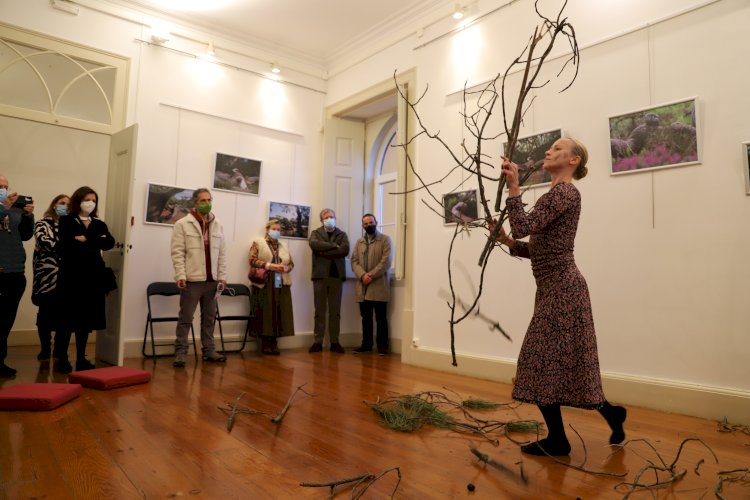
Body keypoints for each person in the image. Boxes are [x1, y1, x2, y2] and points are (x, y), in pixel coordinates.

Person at [494, 137, 626, 456]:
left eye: (557, 149)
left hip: (564, 290)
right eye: (549, 148)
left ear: (573, 161)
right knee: (561, 365)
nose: (548, 151)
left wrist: (513, 186)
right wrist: (508, 242)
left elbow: (524, 226)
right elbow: (540, 249)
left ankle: (559, 439)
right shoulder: (554, 195)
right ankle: (608, 415)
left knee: (540, 361)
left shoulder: (566, 192)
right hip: (555, 289)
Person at [57, 186, 115, 372]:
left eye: (94, 200)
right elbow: (65, 244)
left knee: (85, 322)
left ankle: (81, 358)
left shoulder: (98, 223)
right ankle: (63, 359)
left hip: (93, 277)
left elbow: (109, 243)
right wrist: (95, 239)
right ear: (79, 200)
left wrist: (85, 239)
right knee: (67, 320)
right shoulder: (66, 220)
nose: (91, 203)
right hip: (71, 277)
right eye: (87, 199)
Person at [170, 188, 228, 368]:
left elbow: (222, 254)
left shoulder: (218, 224)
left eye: (209, 199)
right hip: (191, 281)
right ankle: (180, 353)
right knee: (186, 318)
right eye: (202, 200)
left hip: (212, 281)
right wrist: (180, 275)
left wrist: (222, 277)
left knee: (209, 318)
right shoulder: (182, 224)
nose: (206, 203)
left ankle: (209, 350)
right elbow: (177, 252)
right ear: (195, 202)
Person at [0, 175, 35, 377]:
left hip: (15, 273)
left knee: (6, 321)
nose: (3, 189)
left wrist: (28, 215)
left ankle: (1, 361)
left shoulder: (12, 209)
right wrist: (4, 206)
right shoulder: (5, 207)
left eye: (6, 186)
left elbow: (25, 235)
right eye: (0, 186)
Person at [32, 194, 69, 369]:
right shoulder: (42, 223)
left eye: (69, 205)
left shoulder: (70, 226)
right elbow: (44, 242)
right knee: (45, 314)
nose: (65, 207)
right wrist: (68, 245)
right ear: (54, 205)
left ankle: (60, 350)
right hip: (46, 276)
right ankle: (45, 348)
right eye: (62, 203)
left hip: (67, 276)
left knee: (64, 315)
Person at [248, 219, 295, 355]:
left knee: (279, 311)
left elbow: (291, 263)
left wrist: (286, 268)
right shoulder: (258, 243)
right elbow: (252, 260)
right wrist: (270, 265)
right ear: (268, 229)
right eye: (274, 229)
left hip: (281, 281)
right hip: (264, 282)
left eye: (279, 230)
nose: (277, 232)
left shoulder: (284, 245)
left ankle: (275, 342)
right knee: (265, 311)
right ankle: (265, 343)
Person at [308, 208, 349, 353]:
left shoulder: (342, 234)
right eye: (326, 217)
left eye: (332, 216)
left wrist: (323, 252)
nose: (329, 219)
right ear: (321, 220)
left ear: (335, 218)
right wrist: (333, 246)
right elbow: (314, 245)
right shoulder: (315, 233)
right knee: (319, 311)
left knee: (335, 311)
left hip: (336, 277)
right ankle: (317, 341)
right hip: (320, 276)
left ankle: (334, 341)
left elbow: (344, 250)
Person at [351, 214, 392, 355]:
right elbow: (354, 261)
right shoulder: (359, 242)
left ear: (376, 222)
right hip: (363, 286)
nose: (369, 225)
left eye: (371, 222)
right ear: (362, 225)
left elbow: (386, 261)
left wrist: (371, 275)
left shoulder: (385, 240)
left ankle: (382, 346)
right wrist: (363, 275)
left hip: (379, 285)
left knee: (380, 318)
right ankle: (366, 345)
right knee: (366, 318)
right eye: (366, 223)